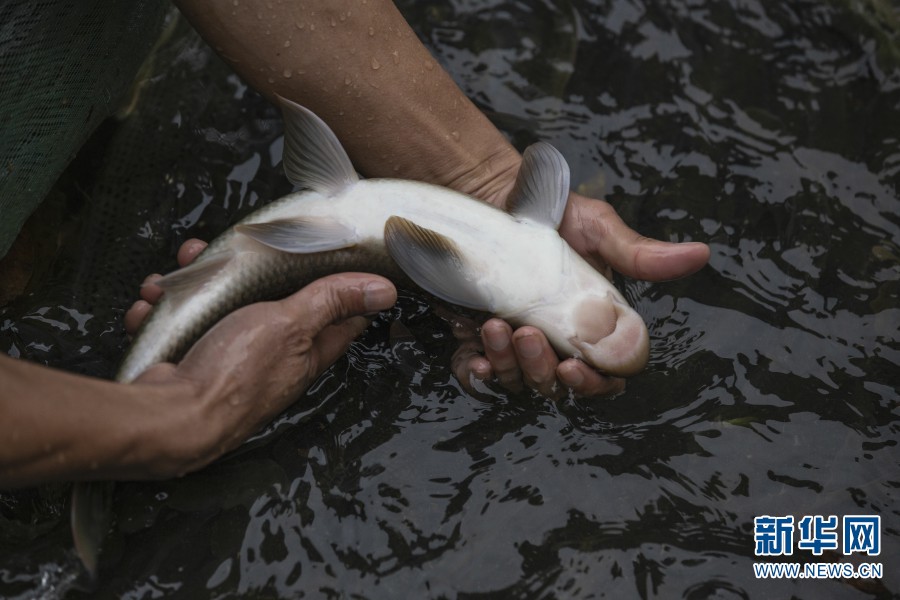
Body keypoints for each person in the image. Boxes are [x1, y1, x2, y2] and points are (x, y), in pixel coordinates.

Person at [0, 0, 709, 488]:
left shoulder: (524, 234)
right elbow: (426, 225)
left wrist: (482, 175)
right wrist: (177, 418)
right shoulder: (525, 254)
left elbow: (500, 191)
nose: (608, 331)